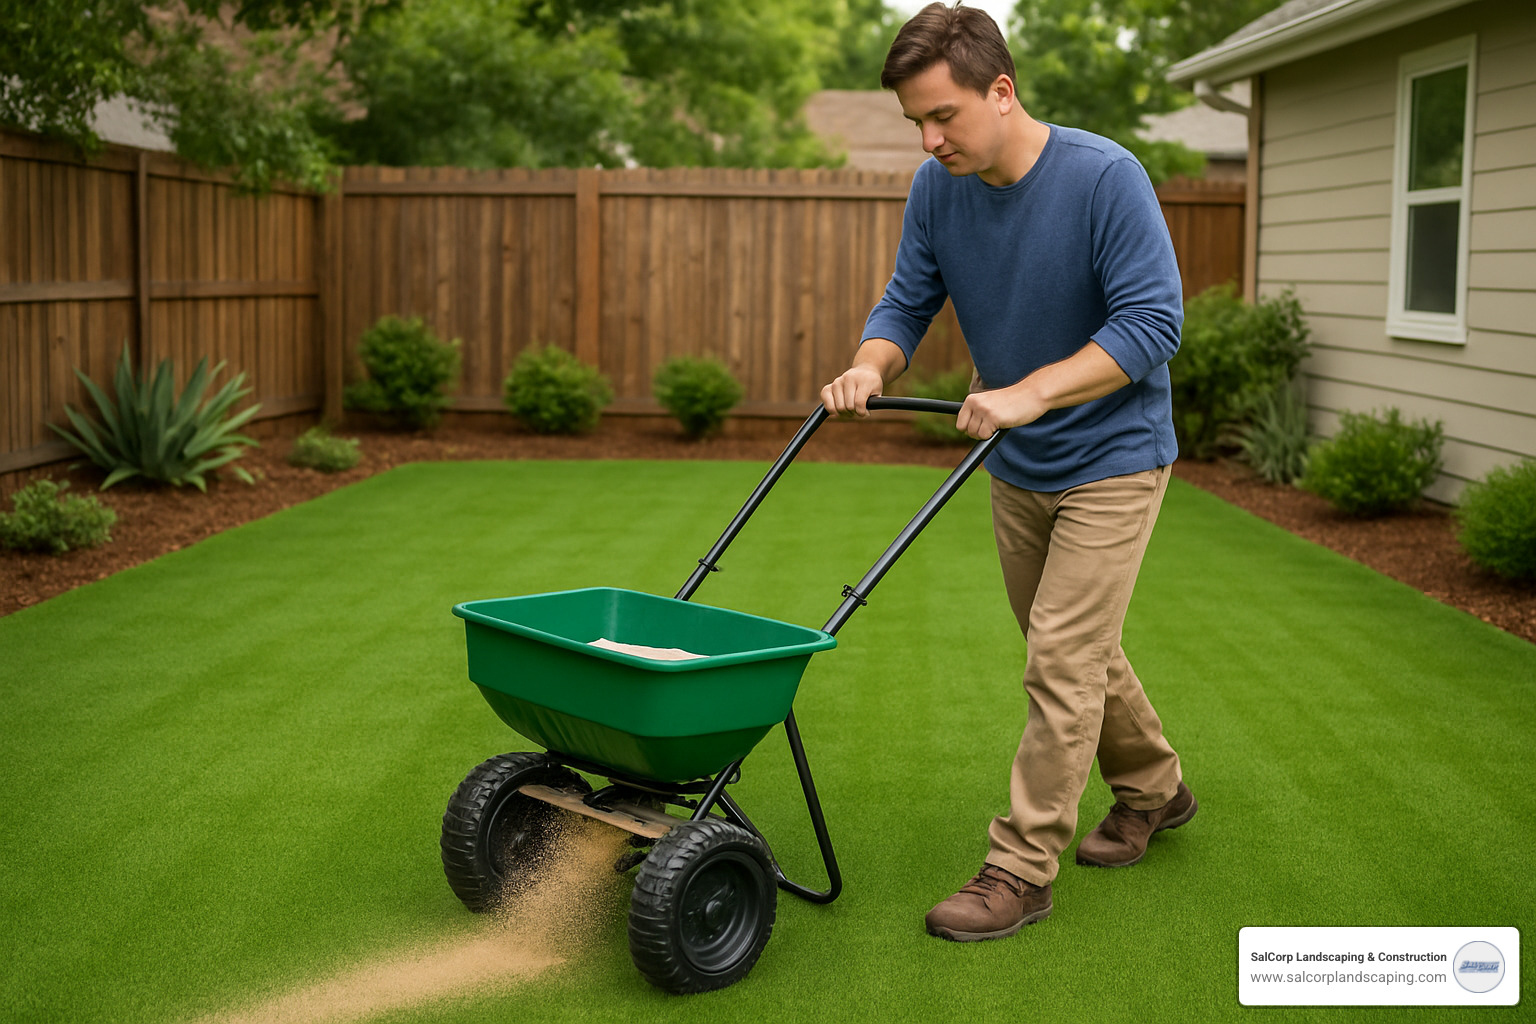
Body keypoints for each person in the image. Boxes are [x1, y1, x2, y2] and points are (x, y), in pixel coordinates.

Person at [819, 1, 1196, 943]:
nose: (930, 139)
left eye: (943, 115)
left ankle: (1020, 870)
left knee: (1061, 656)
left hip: (1114, 455)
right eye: (916, 121)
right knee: (1075, 645)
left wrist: (1029, 391)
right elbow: (906, 301)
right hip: (1018, 461)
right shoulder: (938, 188)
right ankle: (1156, 789)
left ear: (1000, 89)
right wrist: (869, 364)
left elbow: (1154, 323)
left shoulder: (1104, 178)